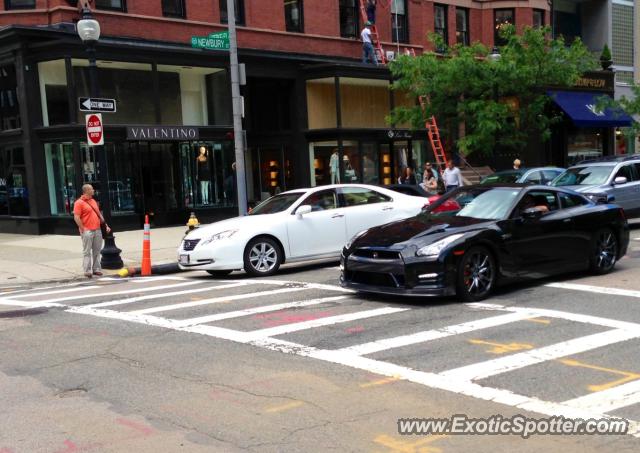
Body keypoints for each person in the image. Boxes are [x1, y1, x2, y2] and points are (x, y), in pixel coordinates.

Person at [73, 184, 110, 278]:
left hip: (97, 229)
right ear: (86, 191)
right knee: (87, 251)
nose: (93, 190)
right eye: (92, 189)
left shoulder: (93, 201)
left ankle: (96, 269)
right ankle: (87, 270)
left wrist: (105, 225)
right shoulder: (79, 203)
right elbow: (76, 217)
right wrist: (82, 229)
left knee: (97, 251)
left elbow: (98, 214)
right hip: (87, 231)